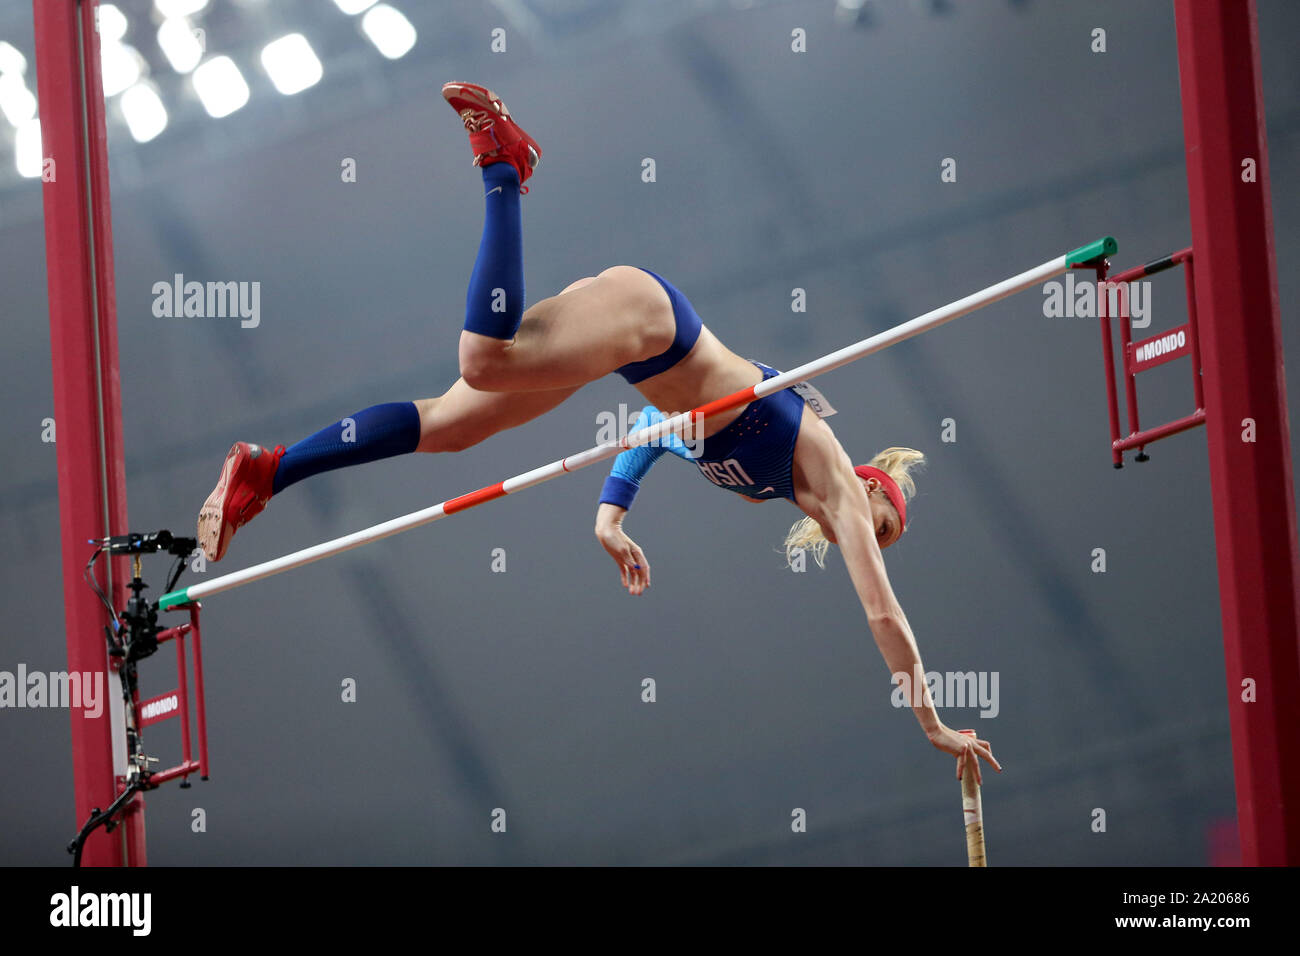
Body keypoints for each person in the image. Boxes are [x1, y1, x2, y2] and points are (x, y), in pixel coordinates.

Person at [195, 82, 1000, 783]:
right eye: (880, 522)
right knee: (484, 359)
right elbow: (884, 616)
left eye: (876, 534)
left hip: (630, 355)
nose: (865, 536)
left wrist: (611, 513)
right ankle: (505, 166)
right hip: (654, 324)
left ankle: (269, 471)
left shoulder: (769, 486)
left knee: (449, 429)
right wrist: (930, 719)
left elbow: (658, 424)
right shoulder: (829, 475)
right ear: (869, 487)